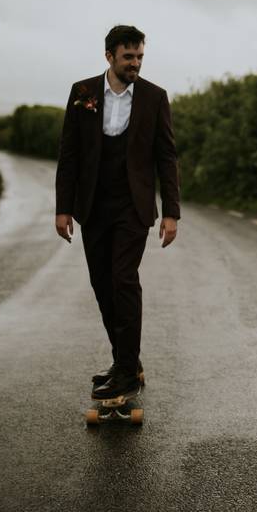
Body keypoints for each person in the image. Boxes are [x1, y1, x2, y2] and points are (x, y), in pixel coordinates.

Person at [54, 24, 181, 401]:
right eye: (129, 57)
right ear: (109, 56)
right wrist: (63, 208)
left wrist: (171, 211)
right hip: (93, 205)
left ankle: (126, 372)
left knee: (124, 279)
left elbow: (166, 156)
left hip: (133, 206)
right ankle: (126, 359)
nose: (136, 64)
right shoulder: (83, 93)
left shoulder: (154, 97)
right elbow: (69, 154)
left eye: (140, 56)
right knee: (102, 283)